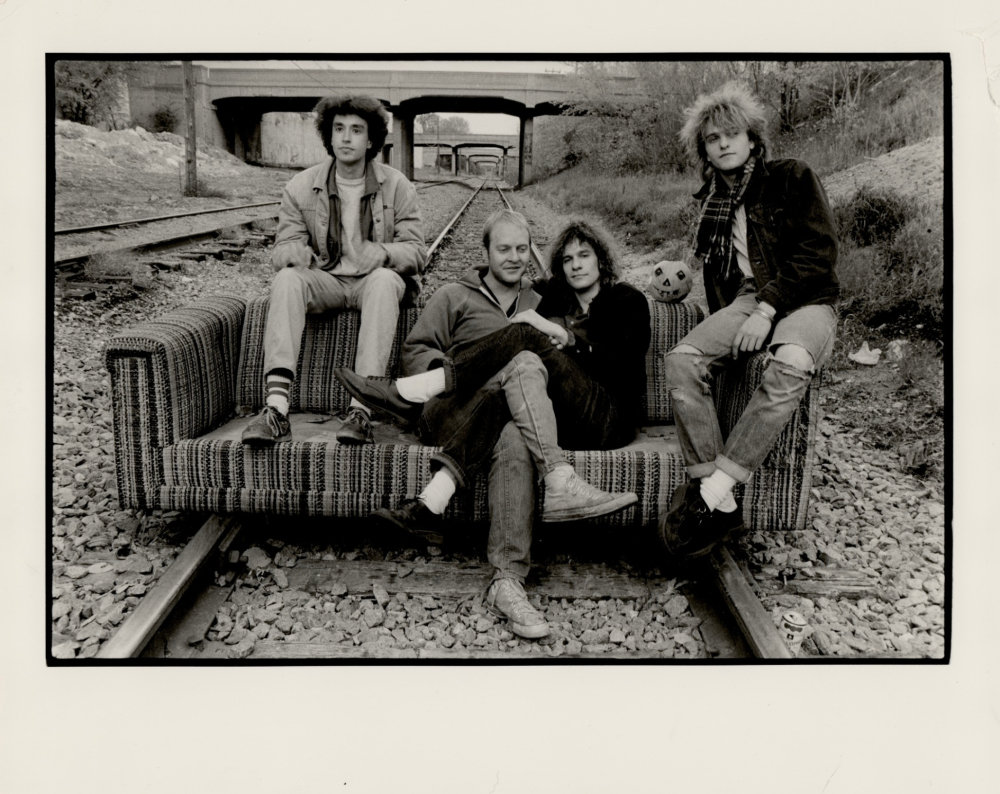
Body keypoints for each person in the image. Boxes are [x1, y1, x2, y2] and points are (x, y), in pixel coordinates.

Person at [335, 212, 650, 638]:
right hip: (451, 406)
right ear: (484, 253)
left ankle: (498, 572)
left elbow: (591, 357)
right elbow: (417, 347)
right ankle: (426, 394)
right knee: (520, 357)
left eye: (523, 249)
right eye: (504, 249)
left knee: (517, 409)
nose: (515, 257)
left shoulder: (543, 302)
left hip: (518, 412)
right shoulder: (454, 295)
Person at [659, 82, 839, 561]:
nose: (722, 143)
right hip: (747, 298)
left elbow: (818, 254)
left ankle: (713, 489)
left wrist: (767, 310)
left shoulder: (791, 177)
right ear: (704, 151)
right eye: (712, 139)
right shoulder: (713, 204)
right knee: (681, 363)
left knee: (792, 360)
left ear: (753, 138)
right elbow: (721, 282)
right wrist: (726, 328)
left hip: (806, 299)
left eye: (731, 134)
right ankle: (723, 503)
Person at [241, 94, 426, 447]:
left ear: (371, 140)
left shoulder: (398, 185)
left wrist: (384, 253)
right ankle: (276, 409)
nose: (345, 137)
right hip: (326, 280)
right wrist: (291, 252)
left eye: (356, 130)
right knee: (287, 279)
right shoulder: (300, 187)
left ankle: (361, 411)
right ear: (328, 136)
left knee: (386, 280)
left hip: (373, 282)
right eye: (338, 128)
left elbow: (417, 251)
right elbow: (281, 250)